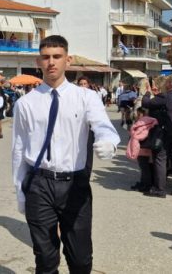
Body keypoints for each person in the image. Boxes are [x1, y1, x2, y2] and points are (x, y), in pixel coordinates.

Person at [11, 36, 120, 274]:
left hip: (75, 184)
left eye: (57, 57)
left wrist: (108, 142)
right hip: (39, 184)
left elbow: (102, 125)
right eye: (46, 57)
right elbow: (18, 150)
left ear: (67, 60)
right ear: (38, 61)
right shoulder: (26, 104)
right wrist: (20, 192)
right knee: (46, 258)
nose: (51, 62)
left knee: (80, 258)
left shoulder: (86, 97)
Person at [141, 77, 172, 198]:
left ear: (169, 84)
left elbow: (146, 103)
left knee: (160, 159)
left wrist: (147, 93)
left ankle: (159, 189)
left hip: (166, 132)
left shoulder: (166, 96)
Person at [126, 107, 157, 192]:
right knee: (146, 167)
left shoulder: (142, 124)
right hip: (146, 148)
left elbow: (140, 135)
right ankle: (144, 183)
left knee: (144, 167)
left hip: (142, 148)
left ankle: (145, 185)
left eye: (137, 114)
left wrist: (133, 133)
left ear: (142, 114)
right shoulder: (150, 122)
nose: (136, 115)